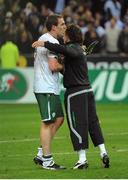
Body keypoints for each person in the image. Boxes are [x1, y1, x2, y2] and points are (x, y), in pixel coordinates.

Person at [32, 24, 110, 169]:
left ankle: (82, 160)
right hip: (87, 91)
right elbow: (67, 68)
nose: (64, 35)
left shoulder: (74, 48)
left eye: (66, 33)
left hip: (75, 93)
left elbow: (64, 50)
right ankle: (103, 152)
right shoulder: (78, 50)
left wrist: (45, 43)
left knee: (77, 125)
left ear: (70, 36)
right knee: (93, 123)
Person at [33, 14, 66, 170]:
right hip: (45, 87)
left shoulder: (45, 38)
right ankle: (47, 160)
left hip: (50, 87)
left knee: (59, 118)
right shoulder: (51, 41)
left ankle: (41, 152)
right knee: (47, 122)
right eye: (62, 24)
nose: (64, 26)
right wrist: (65, 66)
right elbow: (54, 67)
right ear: (54, 26)